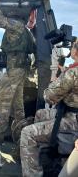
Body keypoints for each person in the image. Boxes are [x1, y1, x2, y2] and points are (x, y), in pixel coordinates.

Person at [0, 0, 35, 147]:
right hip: (21, 69)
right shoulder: (26, 31)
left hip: (14, 69)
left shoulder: (15, 25)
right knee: (18, 104)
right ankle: (19, 135)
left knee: (3, 102)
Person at [20, 40, 78, 177]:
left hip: (72, 122)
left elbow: (49, 97)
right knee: (40, 113)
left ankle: (32, 174)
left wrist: (58, 78)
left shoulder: (72, 73)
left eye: (73, 46)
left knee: (27, 133)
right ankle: (43, 159)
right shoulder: (72, 71)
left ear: (75, 51)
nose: (71, 48)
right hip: (70, 115)